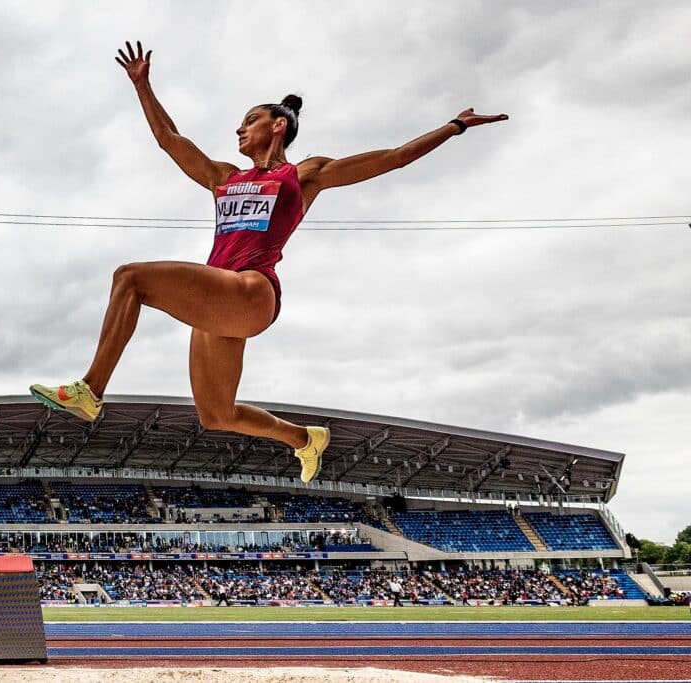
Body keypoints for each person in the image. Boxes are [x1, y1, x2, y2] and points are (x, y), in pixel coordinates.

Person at [31, 41, 508, 484]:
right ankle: (305, 439)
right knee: (217, 414)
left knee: (130, 278)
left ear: (278, 126)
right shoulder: (223, 176)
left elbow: (395, 157)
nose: (239, 129)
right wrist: (142, 85)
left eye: (250, 120)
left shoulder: (305, 174)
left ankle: (90, 390)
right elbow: (168, 138)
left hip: (252, 290)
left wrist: (455, 125)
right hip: (220, 299)